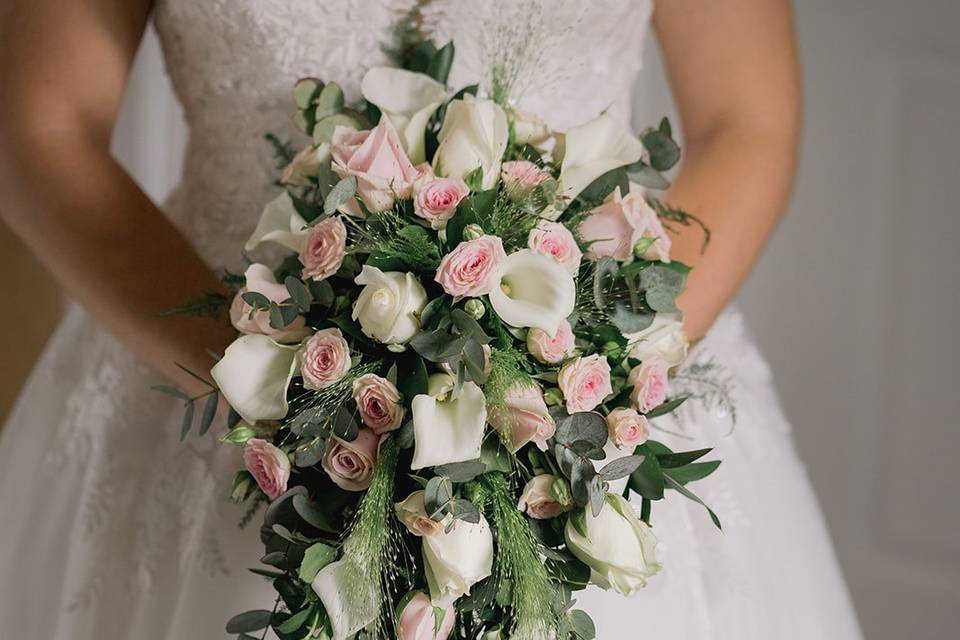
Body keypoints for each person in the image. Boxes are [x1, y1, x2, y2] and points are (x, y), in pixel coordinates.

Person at [0, 0, 862, 638]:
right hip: (219, 375)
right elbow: (43, 123)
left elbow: (745, 120)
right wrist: (259, 380)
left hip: (579, 392)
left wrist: (591, 379)